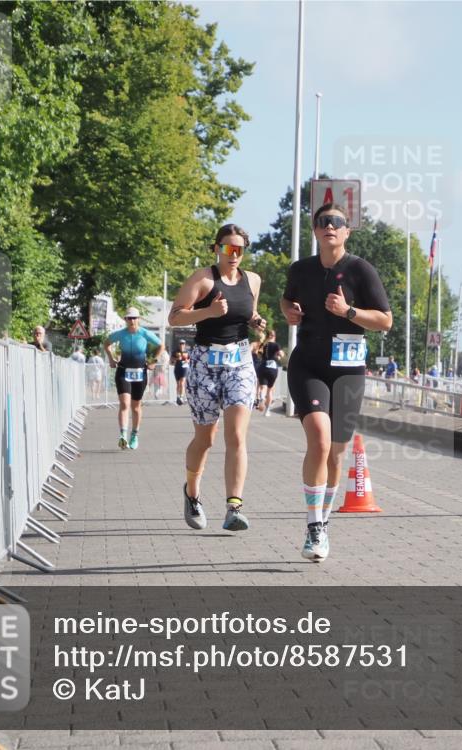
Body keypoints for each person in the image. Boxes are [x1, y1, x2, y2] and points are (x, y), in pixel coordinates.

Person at [281, 203, 392, 562]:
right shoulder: (301, 269)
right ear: (315, 231)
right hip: (308, 365)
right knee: (319, 438)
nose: (330, 226)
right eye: (324, 222)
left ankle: (324, 522)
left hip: (347, 370)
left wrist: (349, 312)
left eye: (338, 222)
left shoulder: (361, 270)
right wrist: (288, 311)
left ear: (347, 232)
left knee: (337, 451)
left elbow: (385, 321)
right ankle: (314, 527)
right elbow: (287, 299)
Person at [168, 224, 266, 533]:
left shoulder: (253, 280)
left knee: (236, 436)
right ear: (217, 249)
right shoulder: (203, 279)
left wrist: (257, 321)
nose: (233, 255)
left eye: (239, 249)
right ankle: (192, 493)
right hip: (204, 363)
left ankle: (234, 507)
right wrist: (208, 312)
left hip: (238, 362)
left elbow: (248, 312)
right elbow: (175, 317)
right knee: (205, 439)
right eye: (227, 248)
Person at [103, 307, 164, 450]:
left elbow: (161, 345)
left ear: (138, 319)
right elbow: (106, 343)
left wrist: (154, 360)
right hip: (123, 372)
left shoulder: (144, 333)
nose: (132, 321)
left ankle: (134, 435)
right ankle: (123, 435)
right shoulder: (120, 334)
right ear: (125, 320)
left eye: (134, 318)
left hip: (140, 373)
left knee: (136, 407)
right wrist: (111, 359)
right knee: (124, 404)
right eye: (129, 318)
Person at [255, 329, 284, 417]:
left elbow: (258, 354)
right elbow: (281, 354)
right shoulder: (276, 345)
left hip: (263, 366)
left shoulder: (263, 344)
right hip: (272, 368)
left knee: (263, 387)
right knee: (270, 390)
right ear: (273, 336)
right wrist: (278, 356)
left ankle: (261, 397)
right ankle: (267, 411)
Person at [172, 340, 191, 405]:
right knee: (178, 383)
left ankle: (181, 397)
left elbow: (190, 359)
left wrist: (187, 361)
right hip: (177, 367)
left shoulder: (187, 351)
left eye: (183, 344)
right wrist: (177, 359)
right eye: (180, 343)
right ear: (179, 344)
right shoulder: (175, 351)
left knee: (182, 382)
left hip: (185, 368)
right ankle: (177, 396)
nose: (181, 345)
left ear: (185, 344)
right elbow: (171, 360)